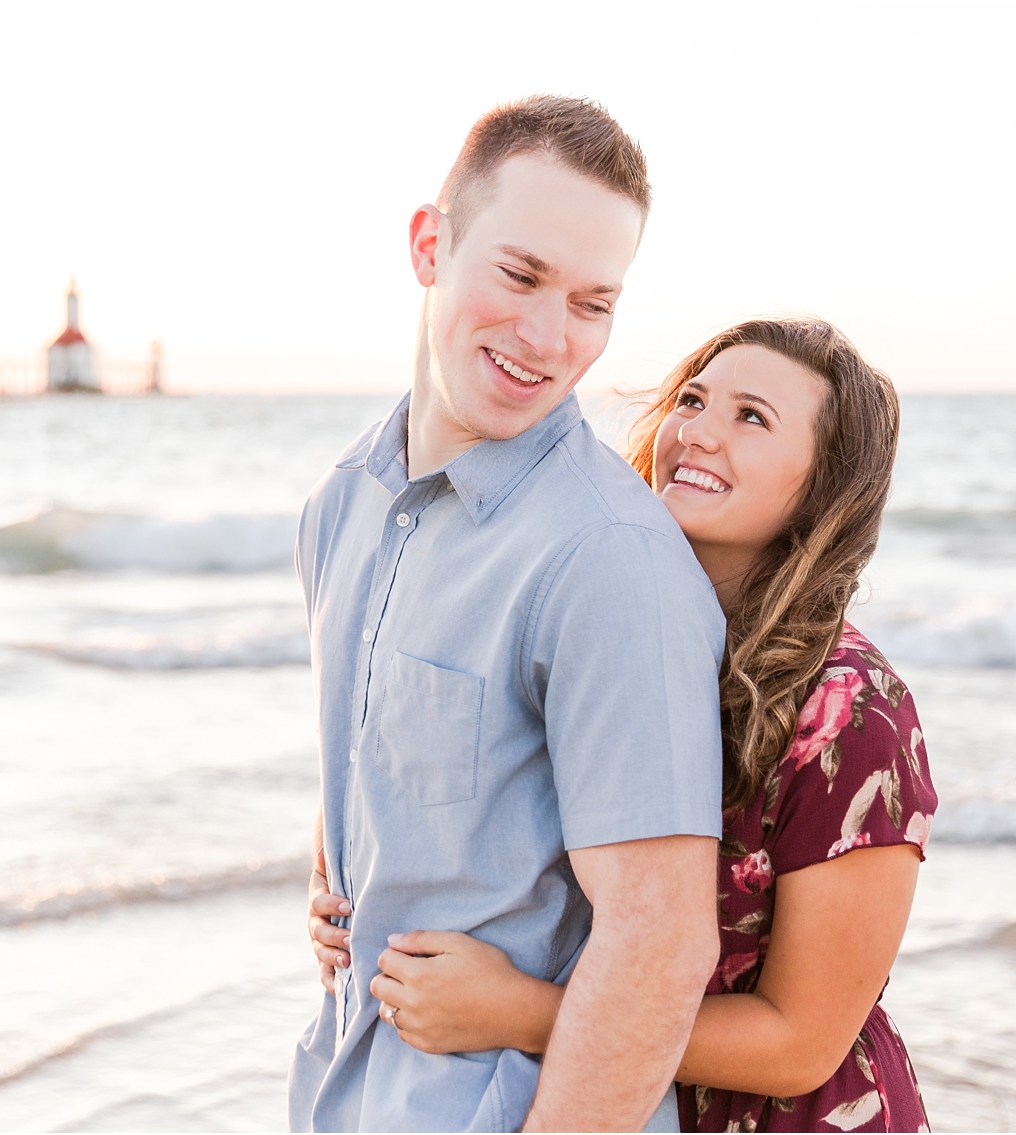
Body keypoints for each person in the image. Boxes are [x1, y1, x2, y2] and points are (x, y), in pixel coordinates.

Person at [338, 319, 939, 1132]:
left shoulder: (852, 714)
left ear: (824, 483)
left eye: (750, 417)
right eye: (691, 400)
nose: (696, 431)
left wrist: (522, 1011)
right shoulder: (619, 636)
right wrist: (334, 870)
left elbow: (803, 1041)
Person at [288, 97, 727, 1131]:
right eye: (520, 275)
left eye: (591, 303)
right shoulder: (339, 504)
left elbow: (659, 943)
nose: (545, 337)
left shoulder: (607, 557)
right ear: (429, 245)